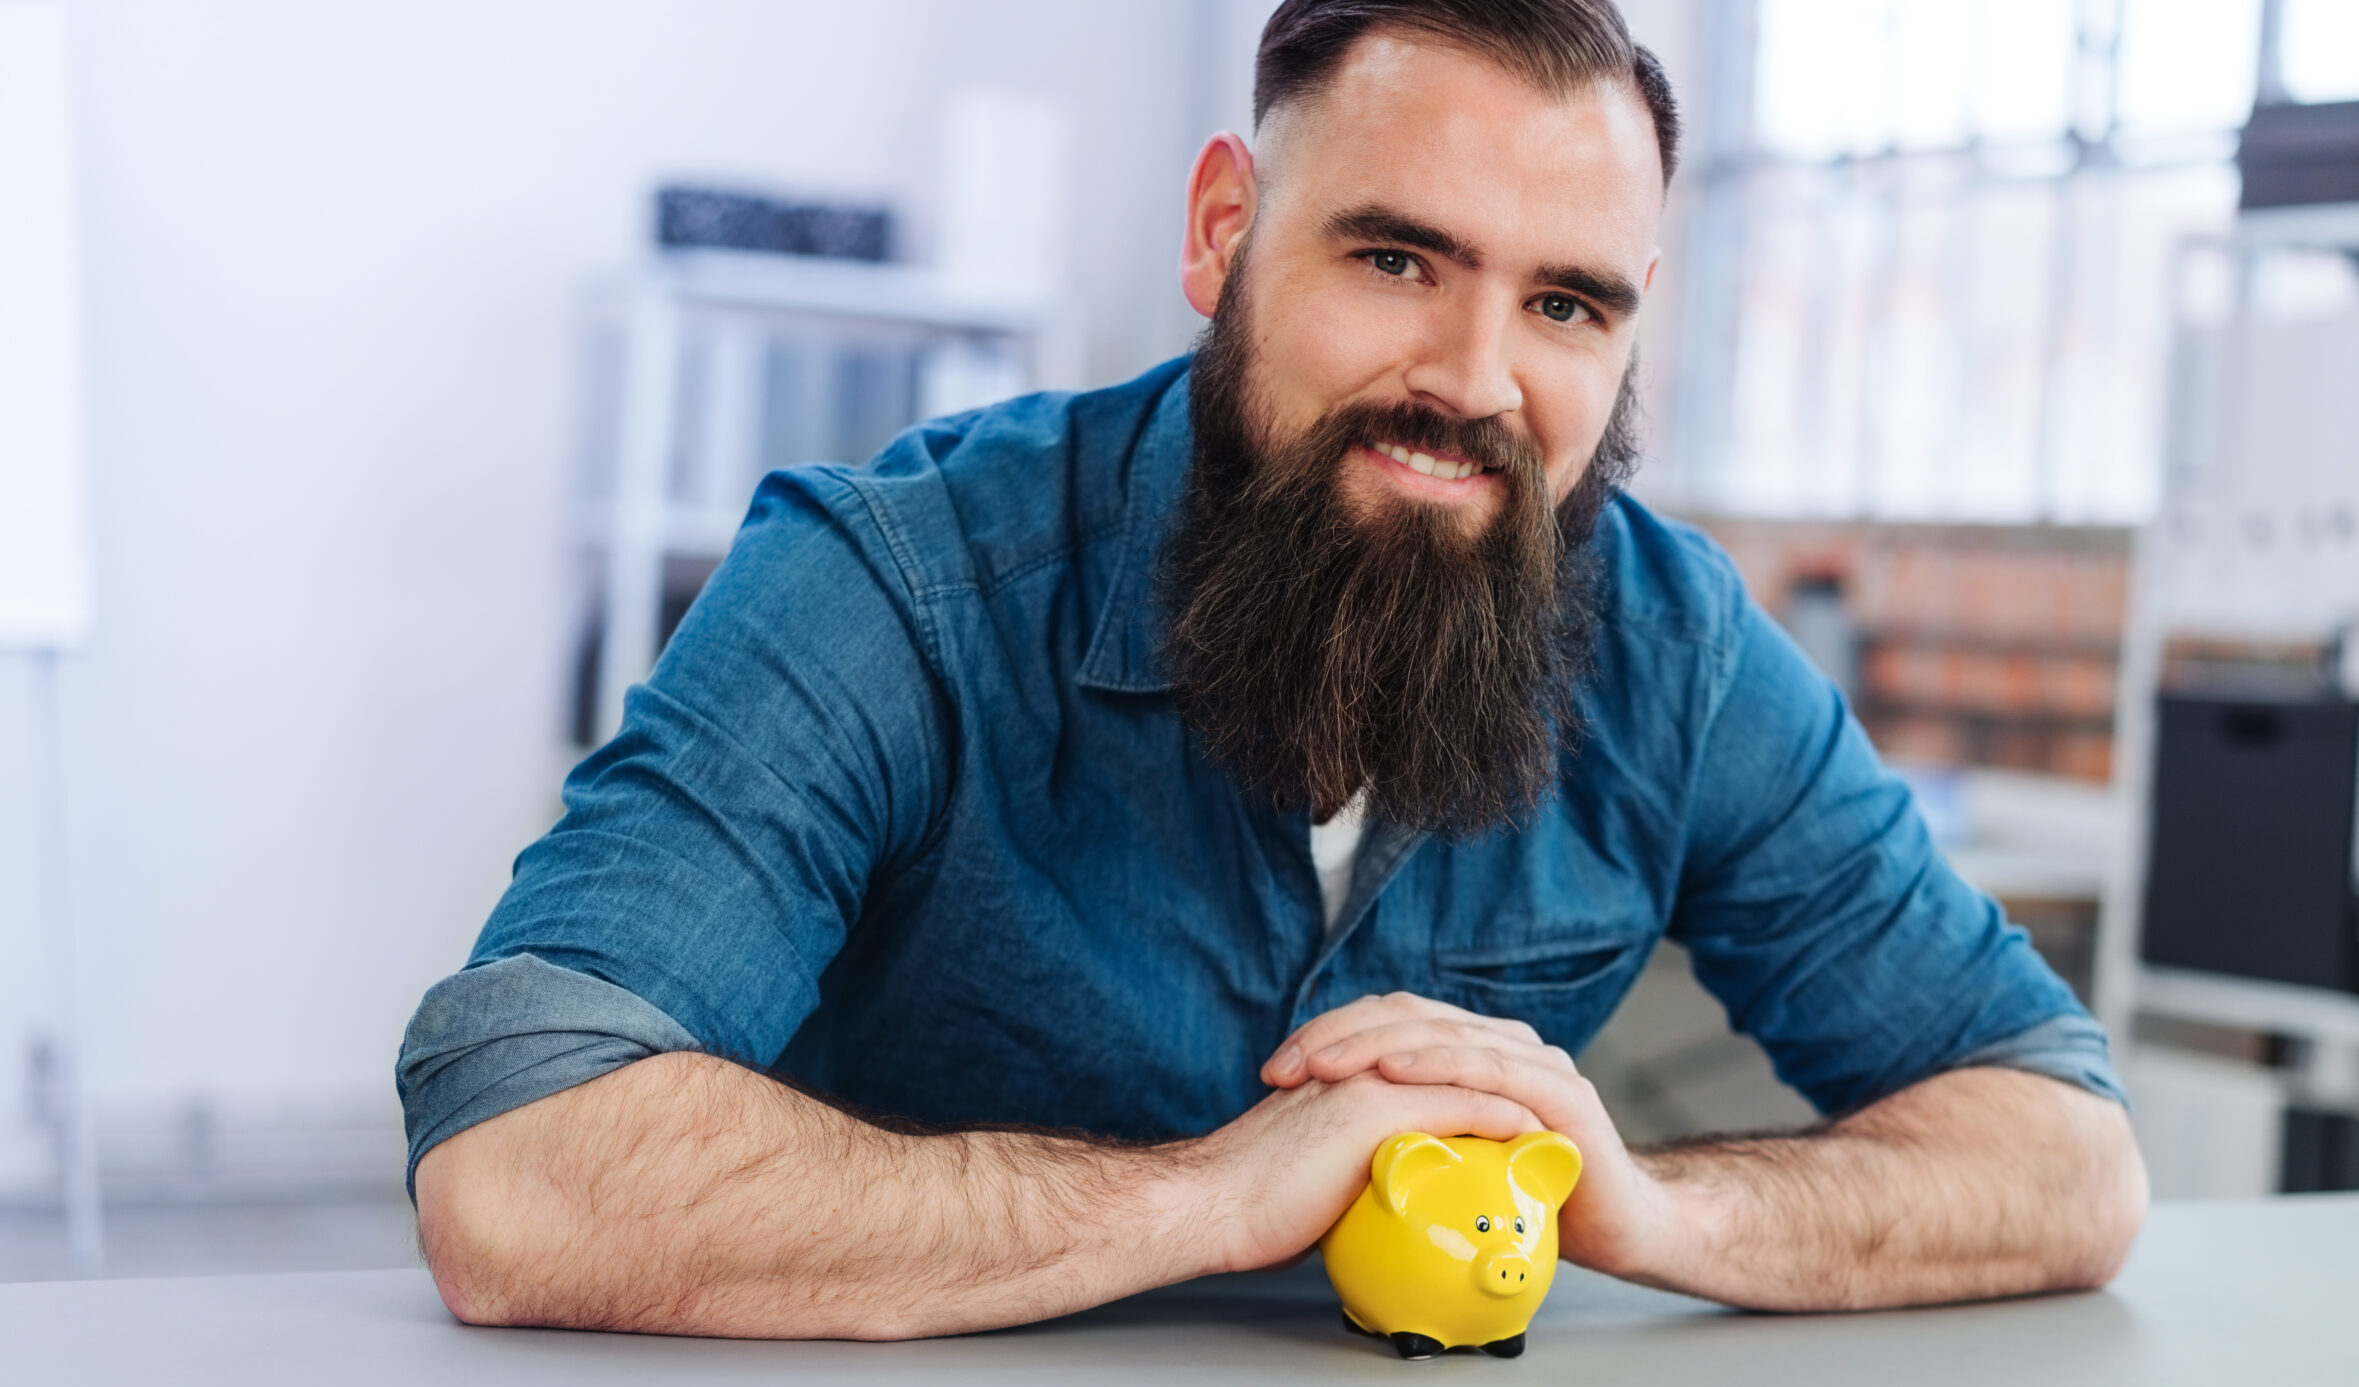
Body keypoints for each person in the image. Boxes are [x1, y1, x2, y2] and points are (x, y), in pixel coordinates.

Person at [401, 0, 2147, 1342]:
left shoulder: (1672, 648)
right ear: (1225, 231)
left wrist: (1653, 1213)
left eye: (1567, 306)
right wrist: (1207, 1199)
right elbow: (524, 1163)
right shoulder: (900, 584)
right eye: (1398, 259)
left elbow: (2069, 1152)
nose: (1475, 378)